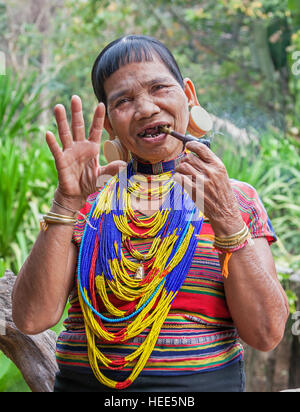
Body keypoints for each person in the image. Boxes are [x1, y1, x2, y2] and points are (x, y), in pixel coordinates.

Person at [12, 35, 289, 393]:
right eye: (123, 100)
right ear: (110, 123)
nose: (145, 109)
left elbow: (266, 334)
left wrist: (227, 219)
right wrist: (66, 202)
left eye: (159, 87)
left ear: (189, 95)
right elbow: (32, 318)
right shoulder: (88, 202)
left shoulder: (236, 199)